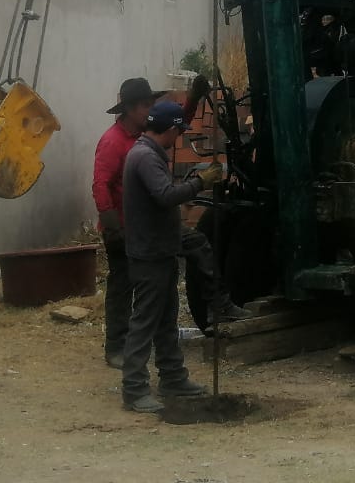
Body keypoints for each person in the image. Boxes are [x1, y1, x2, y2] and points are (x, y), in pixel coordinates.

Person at [92, 76, 244, 368]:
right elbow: (100, 186)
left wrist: (194, 100)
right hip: (124, 228)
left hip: (157, 226)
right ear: (132, 108)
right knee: (123, 287)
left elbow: (173, 125)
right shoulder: (113, 142)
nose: (151, 110)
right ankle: (116, 347)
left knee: (197, 244)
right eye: (147, 105)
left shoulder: (145, 133)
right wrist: (113, 229)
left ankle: (219, 304)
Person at [120, 100, 224, 413]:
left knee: (166, 321)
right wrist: (199, 183)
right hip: (150, 254)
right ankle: (134, 389)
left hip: (159, 251)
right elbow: (165, 196)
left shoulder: (147, 153)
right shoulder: (145, 157)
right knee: (145, 321)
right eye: (179, 131)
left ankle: (173, 377)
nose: (179, 137)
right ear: (169, 128)